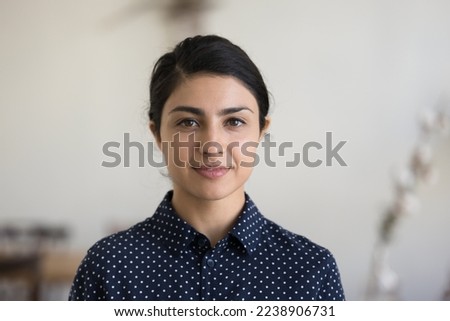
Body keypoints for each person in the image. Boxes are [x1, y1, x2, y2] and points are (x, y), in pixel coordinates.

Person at [69, 35, 345, 300]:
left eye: (234, 122)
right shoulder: (109, 268)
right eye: (188, 122)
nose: (212, 146)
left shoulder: (311, 271)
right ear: (157, 135)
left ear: (262, 131)